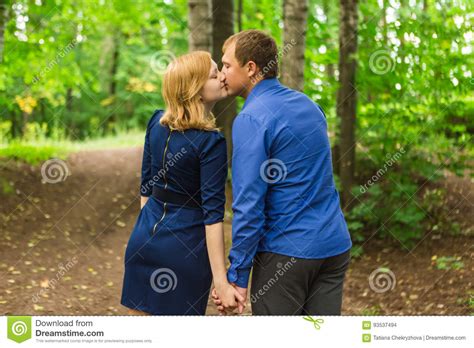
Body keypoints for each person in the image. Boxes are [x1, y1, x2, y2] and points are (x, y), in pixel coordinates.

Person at [212, 30, 352, 315]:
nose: (222, 75)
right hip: (334, 248)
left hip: (286, 256)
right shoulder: (310, 106)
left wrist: (238, 276)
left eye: (227, 66)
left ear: (251, 68)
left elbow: (249, 205)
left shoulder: (251, 118)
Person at [121, 51, 245, 315]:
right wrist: (221, 282)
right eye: (215, 74)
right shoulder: (211, 142)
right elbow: (213, 217)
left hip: (142, 242)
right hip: (184, 253)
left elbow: (146, 189)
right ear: (195, 89)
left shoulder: (156, 122)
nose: (223, 76)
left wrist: (149, 234)